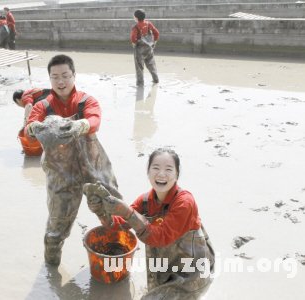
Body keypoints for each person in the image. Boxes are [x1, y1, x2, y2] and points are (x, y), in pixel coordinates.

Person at [24, 54, 122, 266]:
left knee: (112, 210)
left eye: (65, 76)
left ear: (74, 75)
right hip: (60, 174)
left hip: (94, 168)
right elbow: (29, 128)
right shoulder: (42, 106)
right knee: (56, 227)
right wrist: (32, 127)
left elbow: (95, 119)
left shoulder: (87, 101)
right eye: (55, 77)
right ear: (50, 79)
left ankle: (118, 253)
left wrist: (82, 125)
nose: (61, 82)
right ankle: (51, 269)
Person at [83, 148, 214, 300]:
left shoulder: (185, 203)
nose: (161, 174)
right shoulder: (145, 201)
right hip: (163, 268)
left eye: (168, 169)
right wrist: (101, 212)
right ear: (148, 172)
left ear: (177, 174)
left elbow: (161, 237)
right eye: (156, 168)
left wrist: (127, 212)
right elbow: (119, 226)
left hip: (191, 273)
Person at [131, 9, 160, 86]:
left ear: (136, 18)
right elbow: (156, 33)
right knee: (151, 64)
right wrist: (154, 42)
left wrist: (134, 44)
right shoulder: (148, 24)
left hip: (139, 49)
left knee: (139, 67)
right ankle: (155, 79)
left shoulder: (135, 26)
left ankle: (140, 84)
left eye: (134, 16)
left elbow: (133, 38)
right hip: (149, 48)